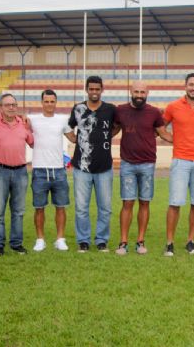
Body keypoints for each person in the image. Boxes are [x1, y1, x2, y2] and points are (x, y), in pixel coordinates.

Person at [113, 81, 172, 255]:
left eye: (142, 92)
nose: (139, 95)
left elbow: (164, 133)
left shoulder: (154, 112)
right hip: (128, 163)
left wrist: (186, 140)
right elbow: (113, 130)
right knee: (127, 202)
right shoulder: (120, 110)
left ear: (147, 93)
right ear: (131, 91)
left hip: (147, 163)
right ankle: (123, 243)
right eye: (136, 91)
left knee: (144, 203)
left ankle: (140, 241)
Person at [162, 72, 194, 256]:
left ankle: (191, 241)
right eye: (190, 84)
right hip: (180, 160)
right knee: (175, 203)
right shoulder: (173, 106)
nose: (193, 88)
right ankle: (169, 243)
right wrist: (172, 139)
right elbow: (160, 126)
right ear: (185, 86)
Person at [69, 75, 117, 253]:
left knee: (105, 208)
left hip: (104, 167)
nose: (94, 92)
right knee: (81, 207)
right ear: (87, 89)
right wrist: (77, 140)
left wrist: (108, 136)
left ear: (102, 89)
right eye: (91, 89)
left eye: (97, 89)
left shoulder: (110, 109)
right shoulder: (78, 108)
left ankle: (101, 240)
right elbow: (68, 127)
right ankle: (83, 241)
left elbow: (118, 125)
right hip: (81, 168)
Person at [27, 89, 76, 252]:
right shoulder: (32, 120)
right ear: (41, 102)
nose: (49, 104)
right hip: (39, 170)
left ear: (56, 102)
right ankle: (40, 239)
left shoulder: (62, 120)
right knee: (39, 207)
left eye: (52, 101)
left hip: (59, 170)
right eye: (46, 101)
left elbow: (73, 138)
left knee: (60, 206)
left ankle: (60, 239)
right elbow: (23, 133)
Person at [0, 93, 34, 256]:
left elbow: (33, 143)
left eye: (13, 104)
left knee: (18, 210)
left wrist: (30, 127)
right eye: (7, 105)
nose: (11, 107)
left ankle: (16, 243)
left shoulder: (23, 124)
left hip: (21, 171)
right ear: (1, 107)